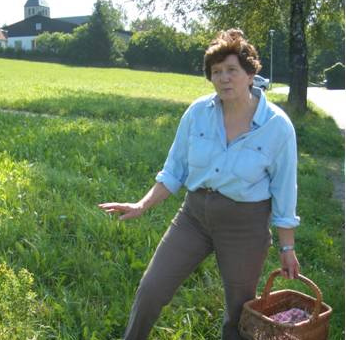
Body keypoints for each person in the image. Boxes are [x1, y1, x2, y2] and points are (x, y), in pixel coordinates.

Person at [98, 29, 300, 340]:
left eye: (232, 70)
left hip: (244, 226)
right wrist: (142, 205)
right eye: (216, 72)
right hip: (194, 217)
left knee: (239, 311)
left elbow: (285, 192)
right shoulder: (197, 113)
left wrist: (287, 247)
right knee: (151, 289)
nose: (223, 78)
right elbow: (173, 170)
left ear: (250, 74)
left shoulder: (277, 127)